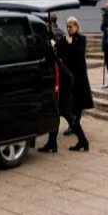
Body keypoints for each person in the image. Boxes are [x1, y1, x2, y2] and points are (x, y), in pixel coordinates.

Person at [38, 16, 77, 154]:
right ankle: (53, 142)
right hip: (62, 75)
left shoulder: (48, 39)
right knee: (60, 109)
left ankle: (53, 143)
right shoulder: (49, 37)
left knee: (56, 109)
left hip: (62, 77)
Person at [56, 17, 92, 151]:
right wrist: (64, 43)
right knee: (70, 99)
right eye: (67, 26)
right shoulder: (64, 39)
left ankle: (76, 122)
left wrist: (70, 44)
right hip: (68, 73)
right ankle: (74, 124)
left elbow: (79, 53)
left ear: (76, 26)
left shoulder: (81, 39)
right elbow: (60, 53)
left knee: (79, 100)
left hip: (79, 74)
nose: (69, 29)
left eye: (71, 26)